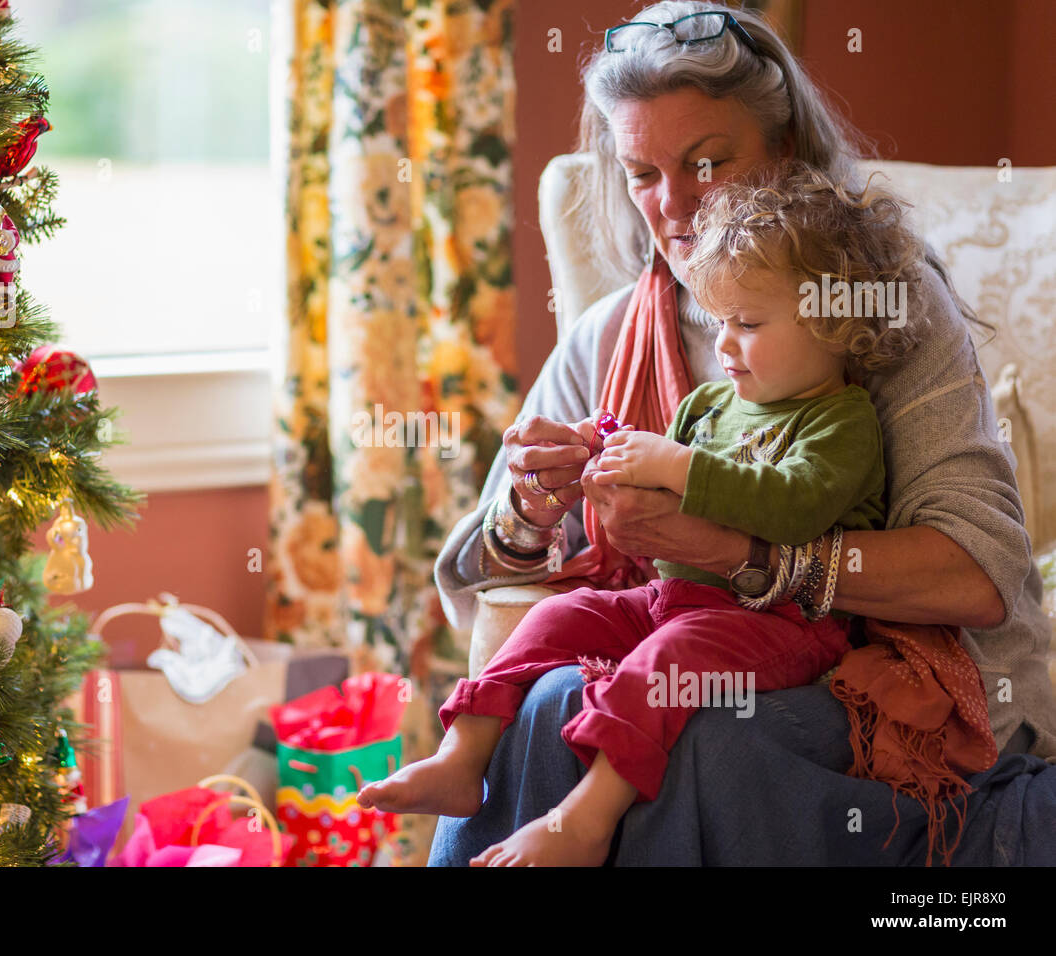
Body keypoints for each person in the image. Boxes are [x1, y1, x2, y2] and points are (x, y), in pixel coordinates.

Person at [425, 0, 1056, 867]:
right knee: (550, 702)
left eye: (707, 162)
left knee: (704, 736)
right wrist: (531, 510)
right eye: (642, 173)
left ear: (786, 153)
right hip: (685, 644)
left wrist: (736, 549)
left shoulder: (869, 310)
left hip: (896, 684)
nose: (673, 205)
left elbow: (978, 575)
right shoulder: (615, 334)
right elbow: (487, 576)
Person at [361, 162, 931, 865]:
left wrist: (674, 467)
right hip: (673, 597)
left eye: (748, 323)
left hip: (781, 624)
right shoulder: (711, 404)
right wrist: (600, 460)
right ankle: (462, 755)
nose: (723, 344)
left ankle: (589, 815)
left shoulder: (840, 422)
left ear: (836, 322)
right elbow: (665, 498)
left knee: (665, 666)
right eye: (718, 320)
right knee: (555, 619)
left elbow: (794, 505)